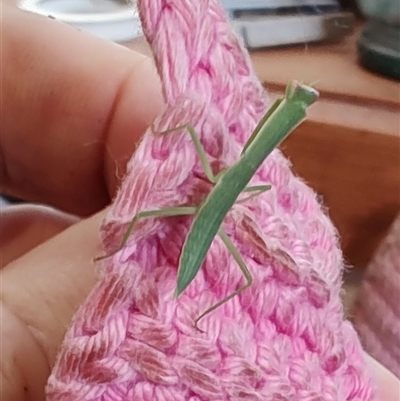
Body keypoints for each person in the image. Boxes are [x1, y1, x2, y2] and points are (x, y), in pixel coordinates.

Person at [1, 3, 398, 401]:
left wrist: (23, 330)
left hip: (202, 226)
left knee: (216, 249)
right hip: (204, 215)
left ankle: (184, 300)